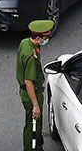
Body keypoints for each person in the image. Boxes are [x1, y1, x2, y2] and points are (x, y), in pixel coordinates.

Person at [17, 19, 54, 151]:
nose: (46, 40)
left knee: (34, 123)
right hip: (32, 93)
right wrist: (36, 105)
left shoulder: (25, 43)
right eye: (45, 38)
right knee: (33, 125)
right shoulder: (31, 57)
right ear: (38, 38)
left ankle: (38, 146)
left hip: (27, 91)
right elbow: (29, 82)